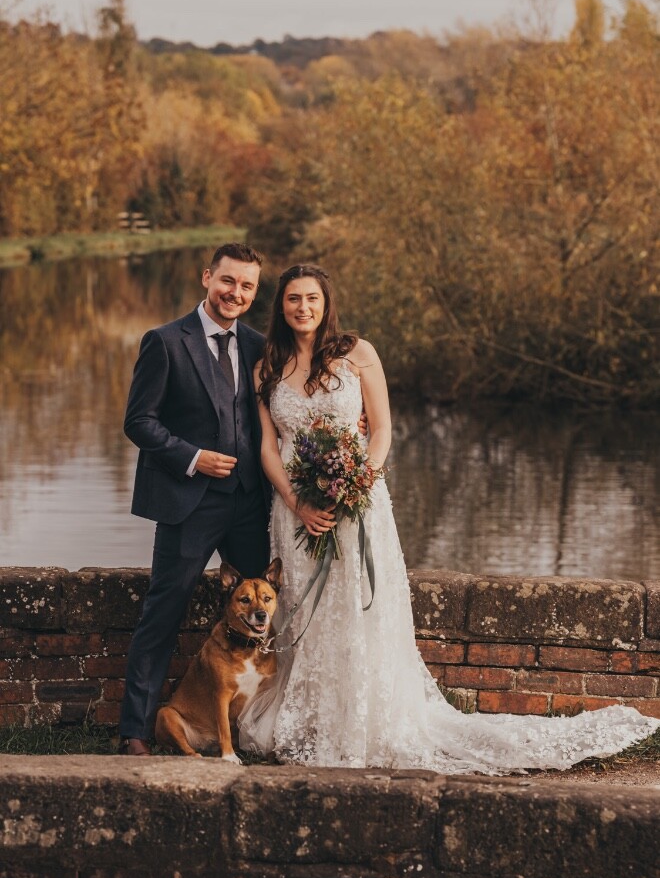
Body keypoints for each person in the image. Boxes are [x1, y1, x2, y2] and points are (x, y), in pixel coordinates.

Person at [238, 263, 660, 773]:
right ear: (280, 307)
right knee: (306, 618)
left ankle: (364, 721)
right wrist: (297, 502)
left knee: (356, 615)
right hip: (294, 514)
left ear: (326, 304)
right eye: (292, 300)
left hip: (357, 509)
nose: (302, 308)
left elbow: (383, 431)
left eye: (312, 298)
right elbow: (267, 447)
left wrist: (355, 486)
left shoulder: (358, 354)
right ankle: (311, 723)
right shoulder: (267, 366)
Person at [118, 243, 270, 756]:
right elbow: (138, 422)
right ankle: (136, 731)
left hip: (250, 503)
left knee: (267, 615)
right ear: (208, 277)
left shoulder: (258, 346)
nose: (236, 293)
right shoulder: (163, 342)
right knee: (163, 613)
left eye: (247, 286)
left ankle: (261, 730)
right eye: (228, 281)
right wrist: (193, 457)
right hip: (188, 502)